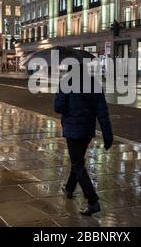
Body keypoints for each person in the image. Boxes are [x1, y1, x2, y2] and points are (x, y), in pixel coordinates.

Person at [54, 66, 113, 216]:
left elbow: (58, 107)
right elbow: (103, 112)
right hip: (87, 131)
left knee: (78, 164)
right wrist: (108, 135)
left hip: (73, 131)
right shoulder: (94, 84)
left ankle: (93, 201)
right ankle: (69, 189)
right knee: (78, 160)